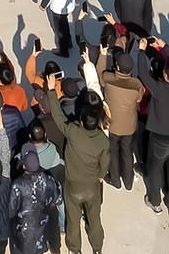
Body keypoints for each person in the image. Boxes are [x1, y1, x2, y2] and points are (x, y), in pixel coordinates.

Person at [44, 72, 107, 254]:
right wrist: (101, 175)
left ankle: (75, 249)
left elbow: (57, 115)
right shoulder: (103, 139)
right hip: (93, 186)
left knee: (73, 219)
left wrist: (51, 90)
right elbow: (105, 161)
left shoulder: (72, 131)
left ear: (81, 121)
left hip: (73, 187)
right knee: (94, 218)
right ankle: (97, 247)